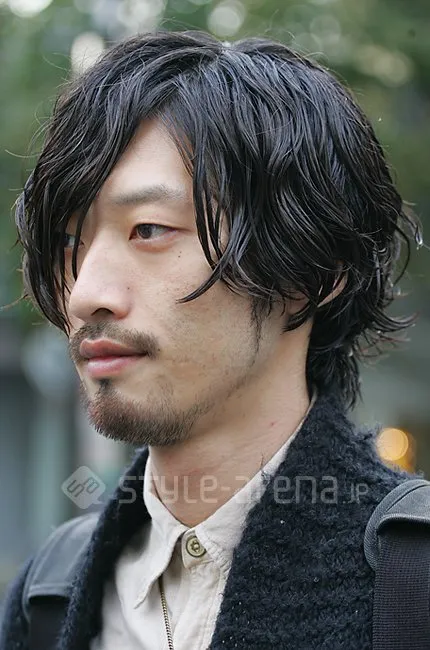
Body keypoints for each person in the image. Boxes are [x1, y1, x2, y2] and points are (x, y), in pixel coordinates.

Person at [0, 29, 422, 650]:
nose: (85, 292)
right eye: (70, 242)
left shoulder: (410, 583)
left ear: (310, 273)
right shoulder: (47, 598)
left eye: (149, 229)